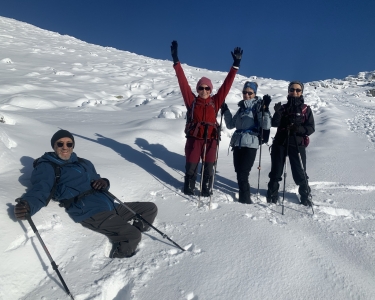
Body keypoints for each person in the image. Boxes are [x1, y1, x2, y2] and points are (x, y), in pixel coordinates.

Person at [14, 129, 157, 258]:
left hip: (109, 205)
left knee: (150, 208)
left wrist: (104, 183)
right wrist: (28, 205)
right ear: (54, 146)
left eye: (69, 144)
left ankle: (130, 231)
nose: (65, 147)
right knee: (132, 235)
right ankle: (121, 258)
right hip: (89, 211)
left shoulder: (83, 162)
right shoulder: (47, 166)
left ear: (73, 146)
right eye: (60, 144)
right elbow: (41, 189)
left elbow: (97, 180)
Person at [170, 40, 243, 196]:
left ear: (211, 89)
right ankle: (188, 187)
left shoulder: (215, 101)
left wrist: (235, 65)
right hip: (194, 138)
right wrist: (176, 61)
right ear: (198, 89)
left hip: (211, 138)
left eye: (207, 88)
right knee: (191, 166)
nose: (204, 90)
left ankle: (206, 188)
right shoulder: (192, 101)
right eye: (201, 88)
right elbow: (182, 82)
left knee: (209, 166)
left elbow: (226, 85)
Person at [220, 81, 272, 204]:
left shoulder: (258, 106)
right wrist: (226, 110)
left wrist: (265, 110)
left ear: (255, 94)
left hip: (251, 143)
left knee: (243, 172)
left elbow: (266, 125)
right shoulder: (241, 108)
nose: (247, 95)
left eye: (250, 93)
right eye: (244, 92)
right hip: (237, 143)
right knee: (239, 171)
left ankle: (245, 199)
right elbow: (230, 125)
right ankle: (244, 196)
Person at [266, 81, 315, 205]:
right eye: (292, 89)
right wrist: (277, 113)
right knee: (276, 171)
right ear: (288, 91)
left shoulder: (305, 109)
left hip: (297, 144)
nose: (295, 92)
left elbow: (311, 128)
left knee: (300, 172)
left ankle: (305, 196)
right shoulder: (282, 108)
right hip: (280, 142)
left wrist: (298, 129)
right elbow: (274, 124)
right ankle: (272, 194)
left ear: (301, 92)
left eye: (298, 90)